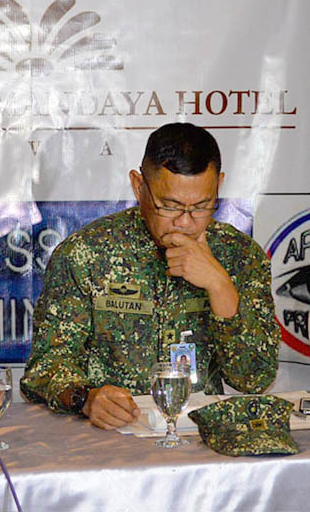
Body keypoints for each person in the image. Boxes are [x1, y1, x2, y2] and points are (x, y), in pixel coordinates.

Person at [21, 123, 278, 430]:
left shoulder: (240, 256)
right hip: (110, 437)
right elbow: (44, 368)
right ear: (139, 186)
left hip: (200, 440)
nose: (185, 222)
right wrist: (86, 398)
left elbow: (255, 378)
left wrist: (220, 285)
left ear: (219, 185)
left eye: (201, 206)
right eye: (169, 206)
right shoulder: (86, 253)